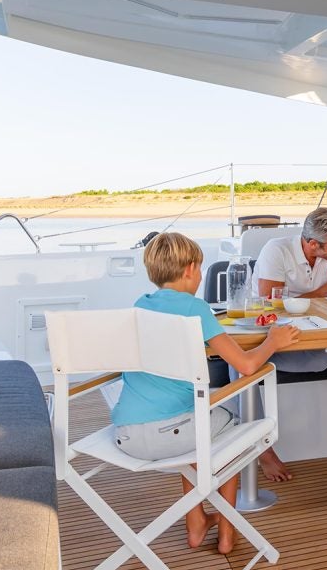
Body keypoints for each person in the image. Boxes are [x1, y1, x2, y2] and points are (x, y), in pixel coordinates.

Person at [112, 232, 299, 553]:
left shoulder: (140, 305)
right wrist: (274, 342)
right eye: (200, 270)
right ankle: (227, 531)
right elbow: (247, 365)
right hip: (171, 433)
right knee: (230, 432)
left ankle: (196, 522)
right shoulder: (196, 309)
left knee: (199, 432)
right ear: (190, 269)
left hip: (126, 434)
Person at [250, 206, 327, 479]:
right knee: (244, 366)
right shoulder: (276, 250)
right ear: (311, 243)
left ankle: (252, 364)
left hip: (306, 333)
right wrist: (321, 293)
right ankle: (262, 448)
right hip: (263, 332)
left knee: (322, 359)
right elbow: (269, 302)